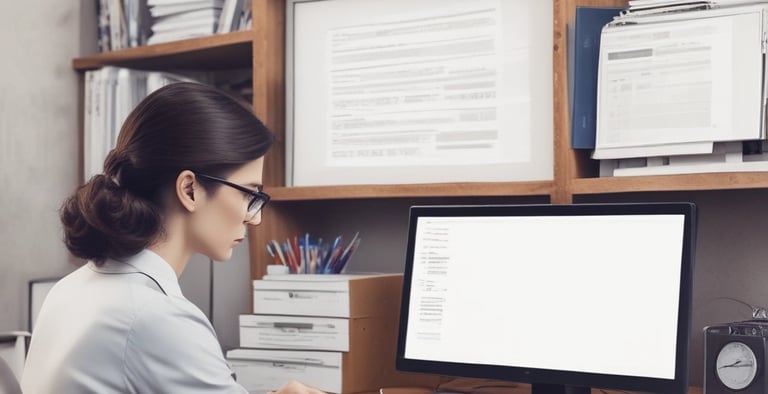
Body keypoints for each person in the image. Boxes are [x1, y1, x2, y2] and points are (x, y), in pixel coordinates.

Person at [22, 82, 325, 394]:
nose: (255, 217)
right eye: (249, 194)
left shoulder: (70, 289)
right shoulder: (158, 317)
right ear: (189, 189)